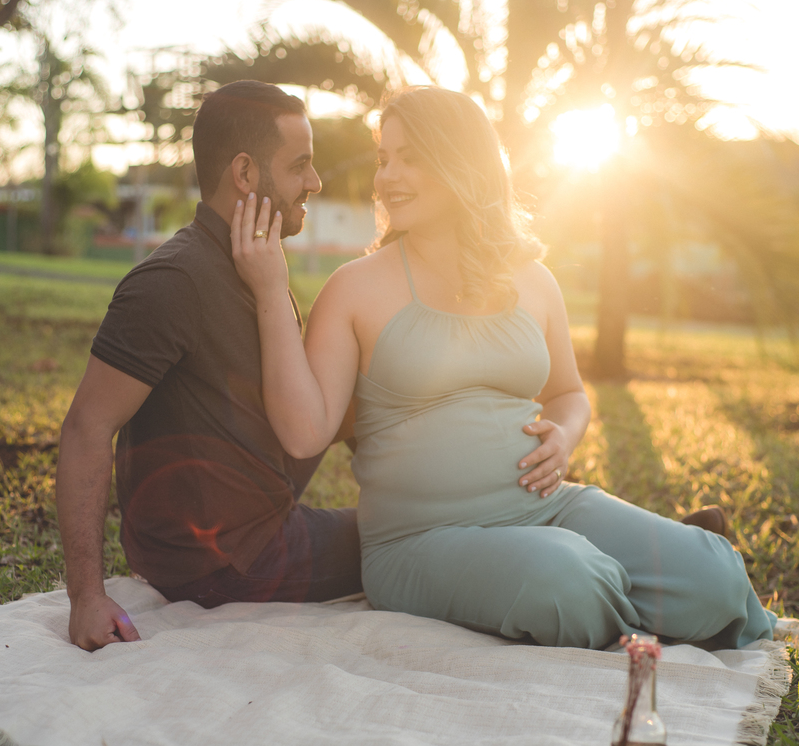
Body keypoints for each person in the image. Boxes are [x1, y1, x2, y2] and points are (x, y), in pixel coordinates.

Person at [231, 85, 778, 649]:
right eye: (384, 158)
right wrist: (270, 288)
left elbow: (569, 393)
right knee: (567, 579)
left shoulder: (534, 280)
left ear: (463, 164)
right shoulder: (354, 288)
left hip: (546, 508)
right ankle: (639, 607)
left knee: (714, 574)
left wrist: (563, 435)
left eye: (410, 158)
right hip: (420, 541)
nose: (388, 177)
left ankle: (644, 597)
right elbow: (304, 433)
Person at [55, 81, 568, 652]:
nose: (316, 182)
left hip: (256, 526)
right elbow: (86, 427)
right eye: (299, 165)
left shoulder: (253, 267)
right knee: (413, 540)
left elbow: (320, 414)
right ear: (245, 174)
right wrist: (86, 598)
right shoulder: (173, 281)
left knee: (431, 512)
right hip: (223, 560)